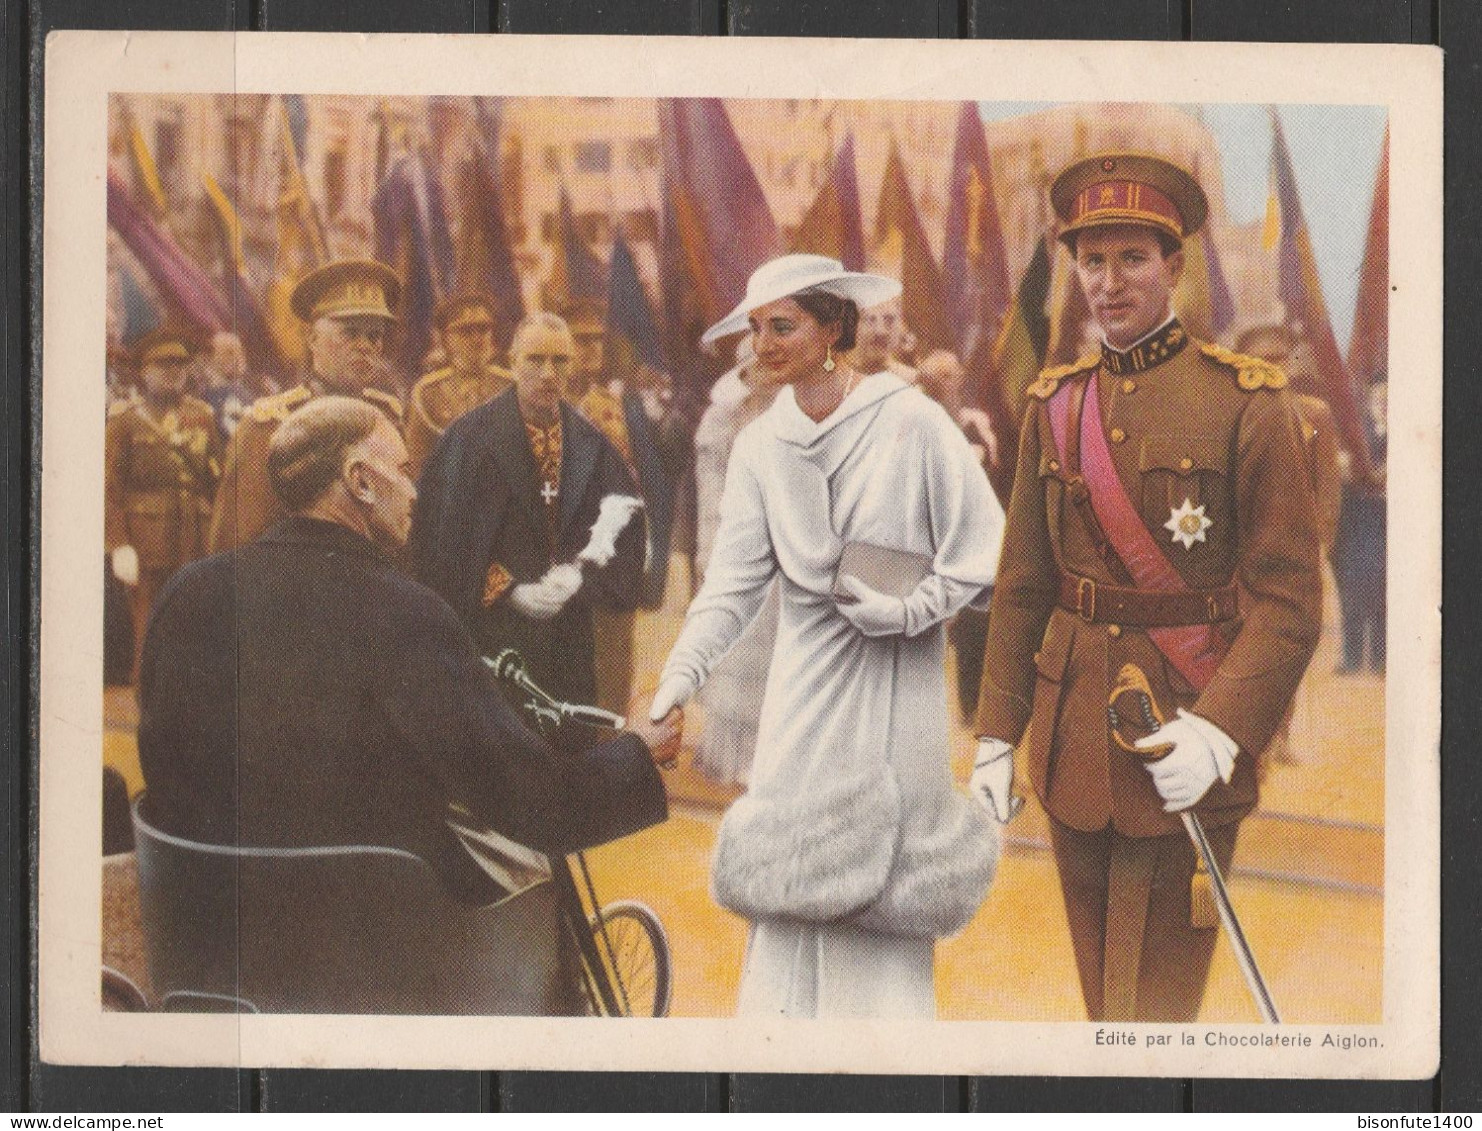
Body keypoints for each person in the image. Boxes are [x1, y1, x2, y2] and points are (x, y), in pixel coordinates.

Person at [970, 154, 1323, 1023]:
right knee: (1103, 1005)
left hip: (1187, 735)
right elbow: (1022, 586)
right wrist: (993, 735)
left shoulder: (1247, 404)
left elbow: (1288, 602)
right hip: (1069, 738)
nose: (1108, 281)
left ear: (1175, 265)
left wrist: (1222, 729)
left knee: (1160, 1011)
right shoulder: (1054, 405)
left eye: (1132, 258)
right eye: (1091, 260)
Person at [138, 396, 678, 912]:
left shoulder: (187, 594)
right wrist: (635, 751)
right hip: (370, 940)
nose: (416, 492)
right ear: (361, 481)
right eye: (402, 469)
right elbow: (532, 801)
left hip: (214, 919)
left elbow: (162, 765)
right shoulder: (409, 615)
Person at [649, 253, 1005, 1018]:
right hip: (801, 701)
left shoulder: (911, 420)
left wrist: (912, 612)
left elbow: (986, 548)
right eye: (754, 329)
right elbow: (732, 585)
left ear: (835, 328)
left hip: (895, 696)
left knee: (887, 896)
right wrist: (675, 682)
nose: (762, 344)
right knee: (790, 885)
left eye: (782, 325)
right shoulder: (759, 445)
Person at [409, 312, 647, 710]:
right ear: (513, 361)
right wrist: (507, 589)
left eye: (559, 361)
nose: (548, 374)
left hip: (571, 644)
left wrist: (578, 580)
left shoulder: (593, 445)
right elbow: (437, 539)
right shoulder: (467, 441)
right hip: (494, 642)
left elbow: (626, 531)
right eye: (535, 360)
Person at [208, 259, 405, 552]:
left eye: (374, 335)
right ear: (311, 338)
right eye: (350, 333)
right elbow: (238, 546)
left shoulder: (387, 417)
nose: (364, 345)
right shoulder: (270, 425)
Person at [689, 335, 779, 786]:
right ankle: (730, 753)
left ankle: (773, 757)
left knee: (778, 659)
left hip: (786, 554)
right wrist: (712, 553)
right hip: (738, 549)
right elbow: (710, 494)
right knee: (738, 651)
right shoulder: (722, 419)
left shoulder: (796, 414)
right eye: (757, 366)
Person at [104, 326, 223, 665]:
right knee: (151, 633)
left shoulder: (202, 417)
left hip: (195, 540)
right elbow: (111, 488)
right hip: (147, 545)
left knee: (195, 632)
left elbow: (217, 481)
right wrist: (119, 544)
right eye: (163, 368)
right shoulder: (125, 422)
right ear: (144, 372)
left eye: (180, 368)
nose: (174, 375)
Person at [405, 293, 514, 476]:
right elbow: (418, 464)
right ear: (446, 339)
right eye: (465, 331)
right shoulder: (428, 394)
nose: (477, 339)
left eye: (483, 329)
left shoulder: (512, 387)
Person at [1334, 378, 1387, 674]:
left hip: (1386, 524)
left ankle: (1380, 661)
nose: (1384, 406)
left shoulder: (1406, 436)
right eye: (1379, 400)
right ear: (1369, 404)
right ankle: (1352, 659)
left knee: (1382, 594)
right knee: (1352, 593)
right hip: (1356, 523)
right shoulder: (1358, 438)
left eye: (1389, 401)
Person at [197, 331, 257, 438]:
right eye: (229, 353)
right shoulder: (205, 399)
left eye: (240, 351)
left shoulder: (249, 392)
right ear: (212, 358)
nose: (238, 358)